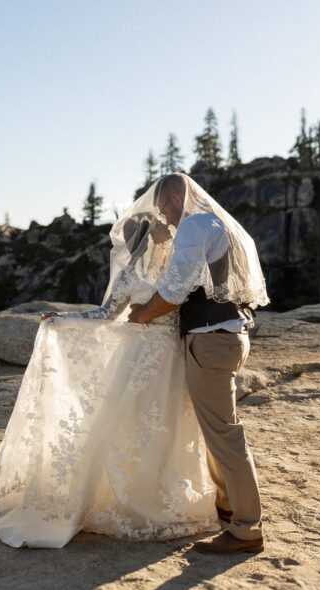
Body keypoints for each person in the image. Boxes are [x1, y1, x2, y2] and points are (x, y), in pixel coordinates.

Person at [0, 178, 221, 548]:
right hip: (137, 360)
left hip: (172, 357)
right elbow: (106, 314)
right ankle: (125, 498)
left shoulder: (180, 268)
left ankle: (164, 493)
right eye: (157, 229)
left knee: (170, 428)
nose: (163, 231)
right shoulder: (130, 274)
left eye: (164, 227)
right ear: (145, 236)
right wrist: (65, 320)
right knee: (130, 425)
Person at [128, 172, 270, 554]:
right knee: (217, 433)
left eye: (164, 211)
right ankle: (228, 508)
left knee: (225, 436)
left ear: (175, 199)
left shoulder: (194, 223)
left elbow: (175, 290)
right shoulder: (211, 223)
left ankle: (246, 529)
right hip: (223, 338)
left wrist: (141, 314)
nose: (166, 220)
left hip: (210, 342)